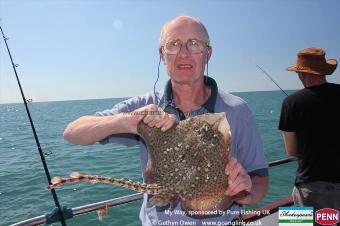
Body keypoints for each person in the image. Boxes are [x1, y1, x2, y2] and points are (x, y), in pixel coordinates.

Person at [64, 15, 268, 225]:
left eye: (194, 44)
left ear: (208, 54)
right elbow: (72, 132)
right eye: (173, 45)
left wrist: (246, 191)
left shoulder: (237, 109)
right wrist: (129, 121)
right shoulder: (145, 106)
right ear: (162, 54)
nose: (183, 53)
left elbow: (260, 180)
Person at [278, 47, 340, 210]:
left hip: (309, 188)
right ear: (323, 71)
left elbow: (291, 151)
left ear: (302, 73)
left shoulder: (290, 103)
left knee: (297, 220)